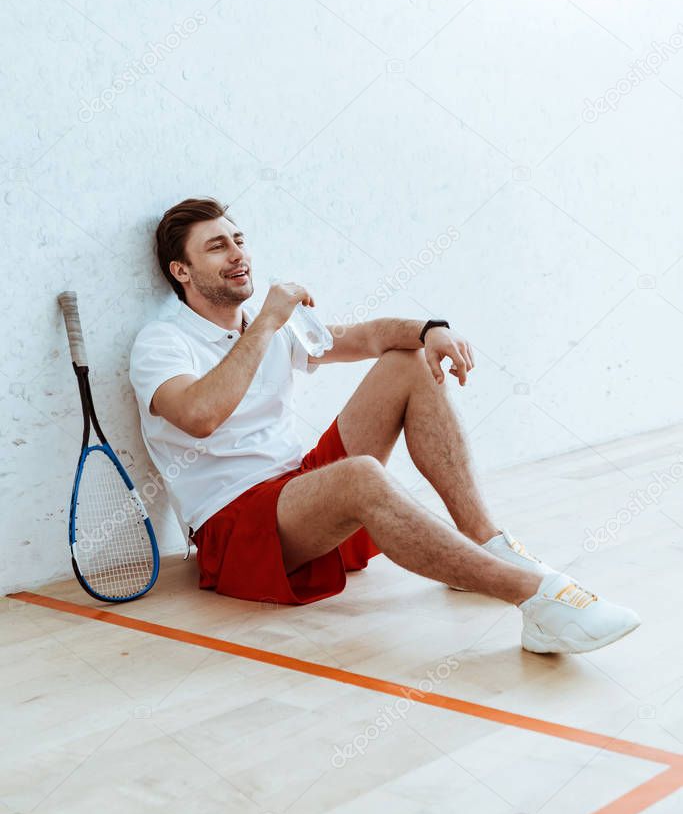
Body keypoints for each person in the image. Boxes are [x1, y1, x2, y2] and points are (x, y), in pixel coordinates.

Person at [129, 197, 640, 655]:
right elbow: (199, 417)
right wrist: (266, 323)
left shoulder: (271, 332)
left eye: (239, 240)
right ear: (182, 271)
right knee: (360, 475)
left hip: (297, 489)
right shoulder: (163, 341)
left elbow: (366, 337)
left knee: (408, 360)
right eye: (217, 247)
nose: (238, 254)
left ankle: (484, 539)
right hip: (235, 524)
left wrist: (430, 329)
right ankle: (534, 599)